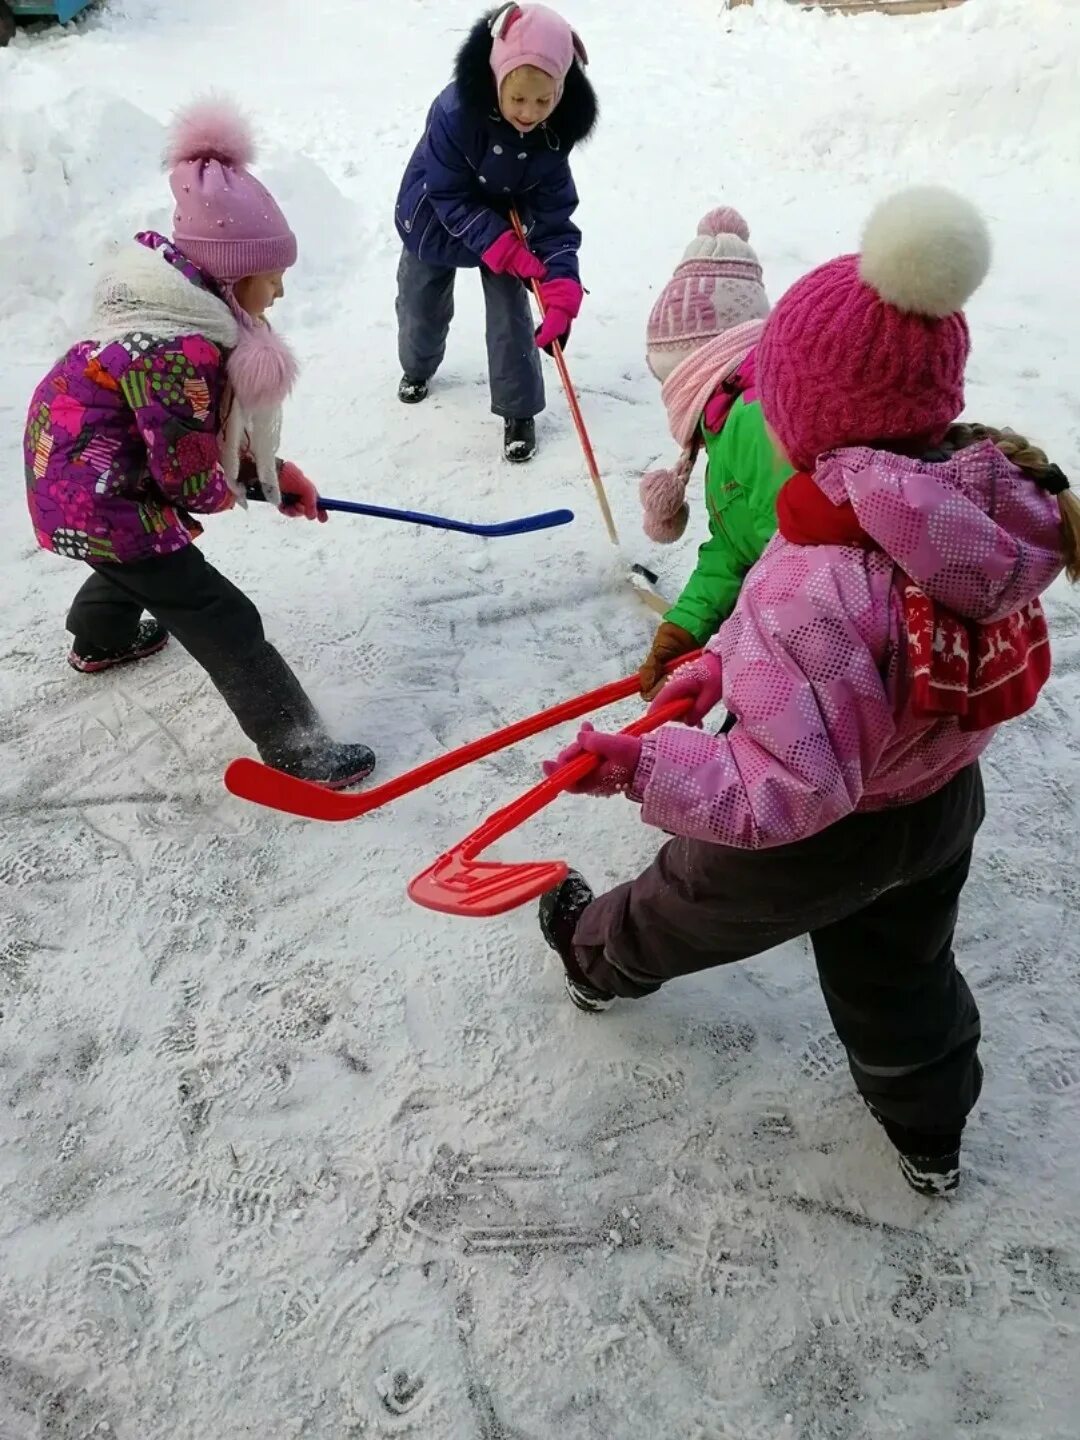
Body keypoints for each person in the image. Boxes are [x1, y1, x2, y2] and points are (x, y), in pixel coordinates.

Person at [536, 188, 1080, 1196]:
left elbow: (783, 793)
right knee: (901, 974)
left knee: (681, 898)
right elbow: (861, 653)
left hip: (825, 833)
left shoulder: (816, 576)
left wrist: (643, 762)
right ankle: (929, 1131)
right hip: (940, 807)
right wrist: (718, 664)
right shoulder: (967, 507)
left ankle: (594, 957)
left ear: (801, 408)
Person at [24, 99, 375, 788]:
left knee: (136, 558)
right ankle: (299, 749)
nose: (278, 289)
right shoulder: (174, 348)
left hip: (75, 487)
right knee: (218, 612)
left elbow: (195, 439)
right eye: (270, 275)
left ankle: (102, 639)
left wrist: (275, 476)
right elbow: (187, 471)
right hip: (97, 492)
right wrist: (242, 488)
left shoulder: (172, 312)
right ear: (229, 272)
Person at [393, 2, 596, 463]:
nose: (530, 112)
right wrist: (499, 244)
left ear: (561, 91)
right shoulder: (453, 113)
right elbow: (446, 193)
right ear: (496, 78)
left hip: (509, 219)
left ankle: (518, 409)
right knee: (421, 299)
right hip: (435, 217)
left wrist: (561, 285)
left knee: (511, 313)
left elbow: (555, 217)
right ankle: (418, 366)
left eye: (544, 101)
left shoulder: (552, 136)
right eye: (518, 98)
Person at [636, 207, 792, 697]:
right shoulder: (725, 421)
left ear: (697, 367)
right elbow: (735, 547)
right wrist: (686, 626)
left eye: (670, 379)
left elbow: (795, 570)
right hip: (797, 639)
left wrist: (733, 656)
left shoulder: (755, 421)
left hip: (821, 655)